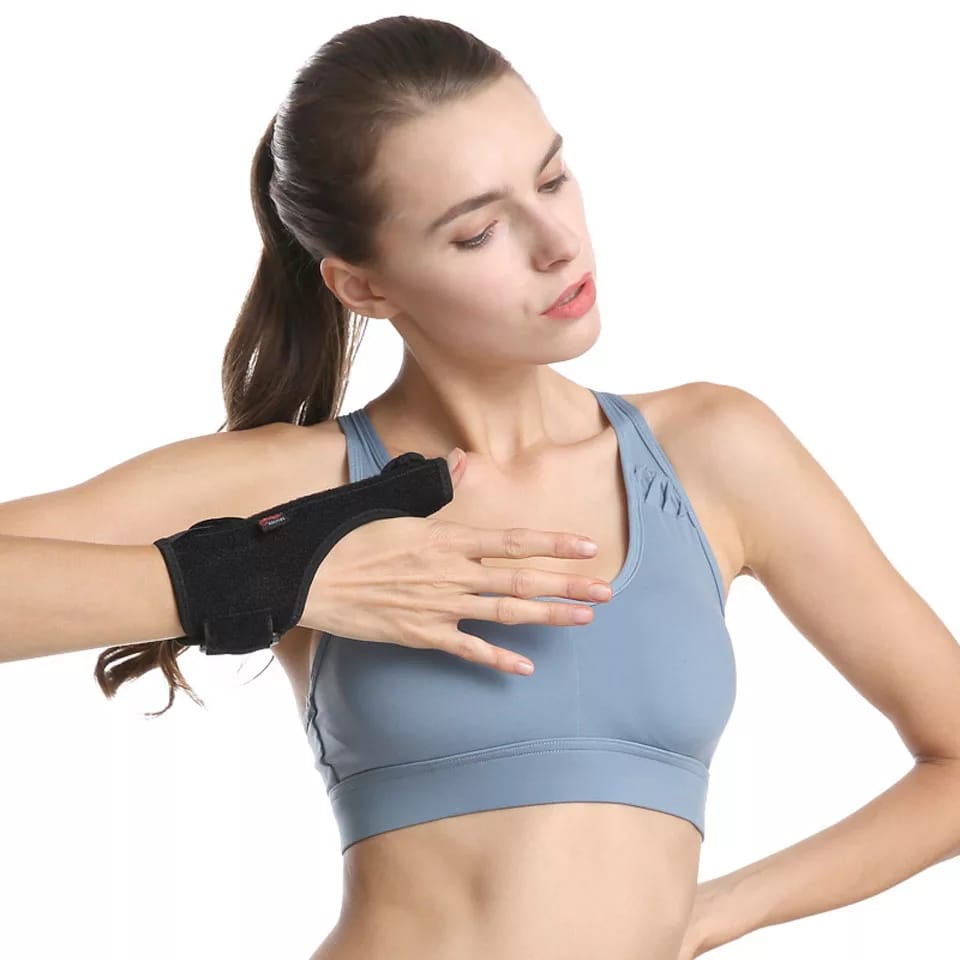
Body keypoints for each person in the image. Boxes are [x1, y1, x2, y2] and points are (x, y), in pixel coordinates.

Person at [4, 14, 959, 960]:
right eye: (479, 232)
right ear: (365, 287)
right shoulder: (302, 482)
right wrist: (289, 577)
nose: (558, 244)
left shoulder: (714, 449)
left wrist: (706, 917)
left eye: (553, 178)